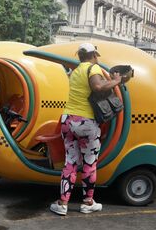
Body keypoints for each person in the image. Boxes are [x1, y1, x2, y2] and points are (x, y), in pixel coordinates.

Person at [50, 43, 122, 216]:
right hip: (86, 123)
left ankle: (63, 203)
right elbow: (97, 87)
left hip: (68, 120)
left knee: (71, 162)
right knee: (89, 163)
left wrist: (110, 80)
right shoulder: (93, 68)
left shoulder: (75, 72)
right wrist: (118, 81)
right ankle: (88, 202)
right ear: (94, 55)